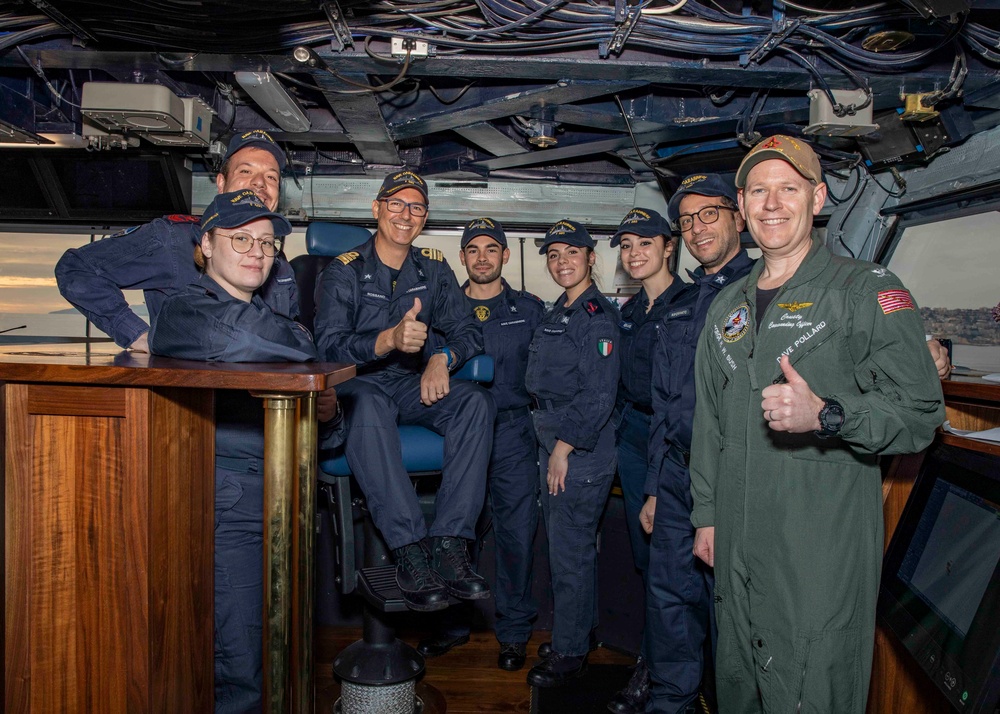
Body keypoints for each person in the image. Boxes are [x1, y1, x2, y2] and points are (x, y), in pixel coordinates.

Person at [689, 135, 944, 712]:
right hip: (735, 542)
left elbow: (921, 415)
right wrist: (706, 515)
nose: (772, 203)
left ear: (818, 198)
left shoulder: (867, 291)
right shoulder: (724, 305)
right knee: (737, 684)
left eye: (788, 189)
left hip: (816, 548)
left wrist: (826, 413)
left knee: (812, 687)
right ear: (742, 204)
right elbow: (710, 423)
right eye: (759, 191)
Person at [148, 190, 328, 712]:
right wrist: (299, 339)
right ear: (206, 243)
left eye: (267, 243)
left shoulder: (267, 319)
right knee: (242, 667)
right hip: (230, 505)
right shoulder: (186, 309)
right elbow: (250, 336)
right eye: (241, 238)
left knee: (287, 652)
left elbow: (285, 348)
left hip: (281, 495)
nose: (257, 251)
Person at [313, 170, 494, 612]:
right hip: (359, 385)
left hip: (411, 385)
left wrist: (442, 357)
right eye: (395, 204)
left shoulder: (434, 268)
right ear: (376, 210)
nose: (405, 214)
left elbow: (469, 329)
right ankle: (410, 549)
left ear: (424, 217)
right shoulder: (342, 273)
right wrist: (386, 340)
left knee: (474, 400)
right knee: (369, 402)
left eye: (415, 207)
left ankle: (450, 545)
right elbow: (328, 345)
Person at [640, 173, 755, 714]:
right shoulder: (681, 302)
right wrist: (654, 487)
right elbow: (665, 403)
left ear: (738, 216)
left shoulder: (765, 289)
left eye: (709, 213)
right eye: (687, 221)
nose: (696, 227)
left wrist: (930, 344)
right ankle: (672, 702)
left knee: (731, 605)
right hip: (677, 474)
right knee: (668, 597)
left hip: (737, 476)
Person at [417, 217, 546, 670]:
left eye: (492, 249)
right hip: (458, 434)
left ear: (506, 256)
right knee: (456, 532)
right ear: (462, 258)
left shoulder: (530, 309)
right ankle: (451, 627)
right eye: (474, 249)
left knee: (516, 537)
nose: (483, 257)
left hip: (512, 432)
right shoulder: (441, 314)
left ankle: (512, 633)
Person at [55, 129, 297, 352]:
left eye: (271, 177)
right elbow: (76, 268)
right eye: (246, 171)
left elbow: (291, 330)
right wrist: (137, 335)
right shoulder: (173, 239)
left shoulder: (278, 264)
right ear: (221, 183)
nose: (259, 183)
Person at [525, 219, 620, 687]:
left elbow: (598, 394)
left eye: (572, 253)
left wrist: (563, 449)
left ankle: (569, 652)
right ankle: (576, 633)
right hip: (554, 438)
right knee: (569, 548)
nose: (562, 262)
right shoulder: (558, 310)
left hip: (577, 448)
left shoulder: (595, 315)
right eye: (554, 254)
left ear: (591, 258)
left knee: (570, 554)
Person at [607, 208, 690, 714]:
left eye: (645, 244)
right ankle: (655, 656)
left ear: (668, 247)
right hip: (633, 435)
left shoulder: (693, 302)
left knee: (667, 560)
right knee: (645, 553)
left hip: (673, 436)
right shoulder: (631, 311)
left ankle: (657, 668)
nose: (635, 254)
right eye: (626, 246)